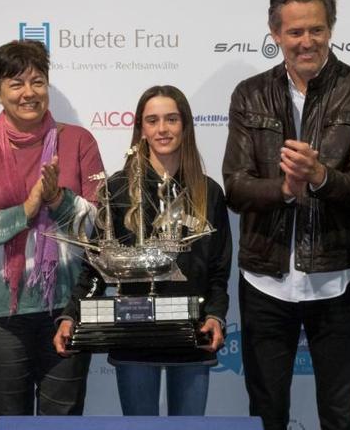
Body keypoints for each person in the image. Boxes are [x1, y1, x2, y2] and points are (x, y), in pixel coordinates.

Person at [222, 0, 350, 430]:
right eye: (295, 31)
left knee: (340, 415)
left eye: (316, 29)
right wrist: (284, 190)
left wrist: (318, 177)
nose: (306, 41)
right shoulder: (249, 93)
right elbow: (235, 188)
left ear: (331, 28)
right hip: (264, 281)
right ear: (276, 34)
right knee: (267, 414)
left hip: (337, 278)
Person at [0, 40, 104, 428]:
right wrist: (27, 210)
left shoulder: (78, 142)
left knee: (63, 419)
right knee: (9, 419)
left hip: (66, 306)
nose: (28, 92)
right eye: (15, 83)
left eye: (37, 81)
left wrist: (58, 199)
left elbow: (100, 226)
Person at [54, 85, 232, 416]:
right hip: (134, 333)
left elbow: (218, 271)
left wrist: (215, 316)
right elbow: (95, 267)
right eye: (152, 120)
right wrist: (72, 314)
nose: (162, 129)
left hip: (192, 334)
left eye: (171, 119)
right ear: (141, 129)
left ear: (185, 126)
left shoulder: (209, 192)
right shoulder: (117, 190)